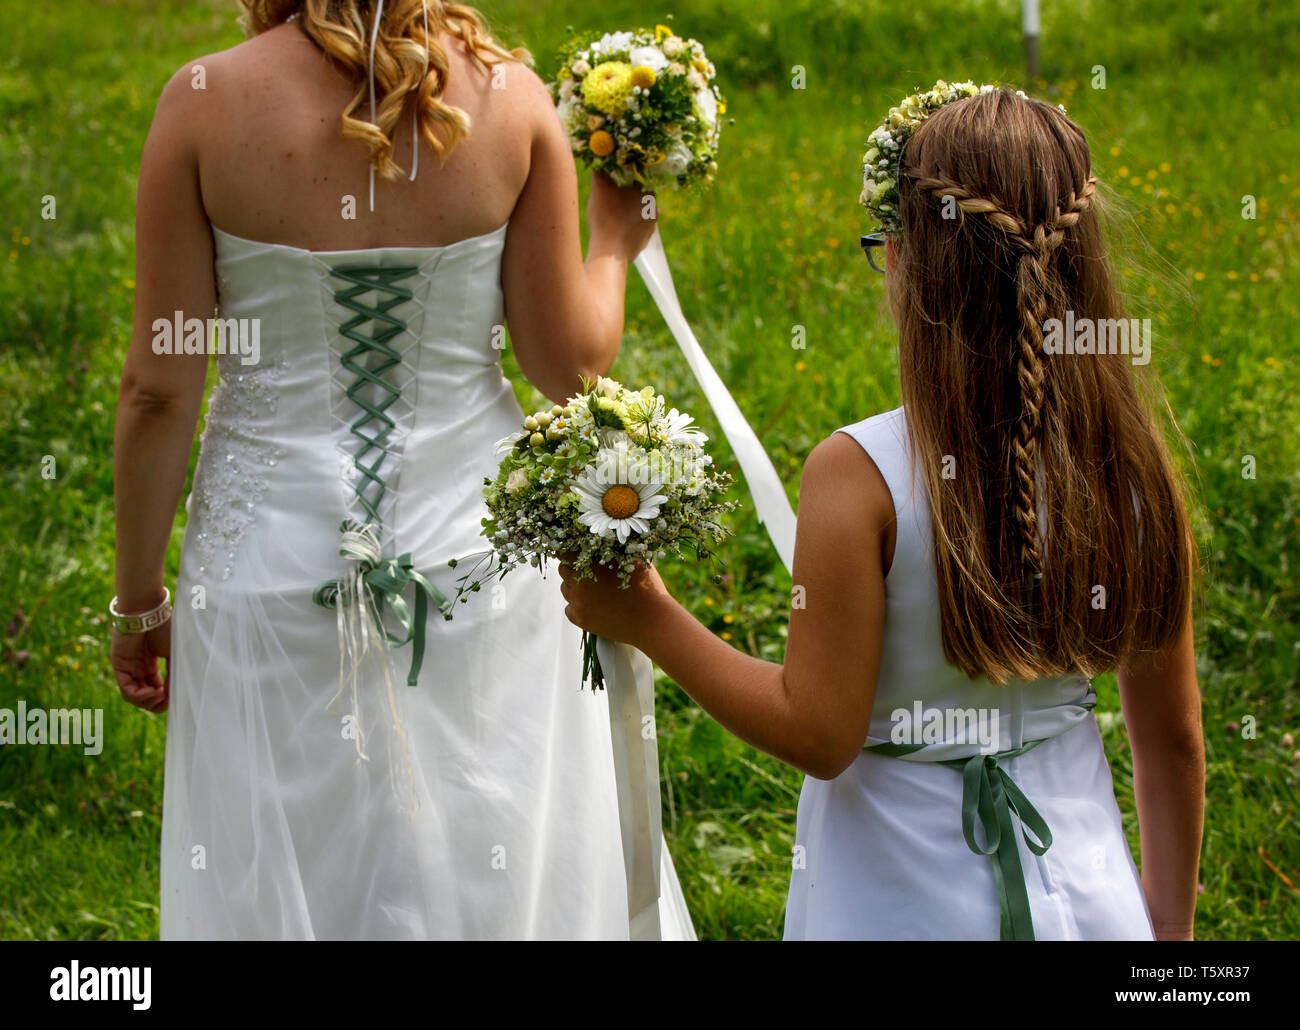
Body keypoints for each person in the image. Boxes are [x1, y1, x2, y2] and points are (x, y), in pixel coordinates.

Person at [560, 86, 1205, 941]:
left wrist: (648, 616)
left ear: (906, 261)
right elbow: (1175, 744)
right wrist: (1167, 941)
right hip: (1092, 906)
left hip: (897, 904)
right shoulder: (1129, 463)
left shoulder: (859, 474)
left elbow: (819, 732)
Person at [109, 0, 693, 939]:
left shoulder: (203, 103)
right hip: (478, 558)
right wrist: (615, 244)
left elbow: (156, 393)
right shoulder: (511, 101)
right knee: (482, 840)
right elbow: (569, 365)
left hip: (268, 566)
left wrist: (138, 602)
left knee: (295, 852)